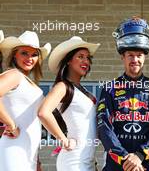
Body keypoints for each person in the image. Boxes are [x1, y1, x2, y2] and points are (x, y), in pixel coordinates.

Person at [97, 17, 149, 171]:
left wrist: (140, 156)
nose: (135, 60)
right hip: (115, 165)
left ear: (145, 57)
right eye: (130, 55)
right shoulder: (109, 88)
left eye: (139, 55)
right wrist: (124, 158)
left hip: (145, 164)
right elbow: (104, 126)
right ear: (122, 57)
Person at [38, 36, 100, 171]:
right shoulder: (63, 86)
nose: (86, 61)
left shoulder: (83, 91)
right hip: (73, 160)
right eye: (80, 56)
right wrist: (63, 140)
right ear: (68, 61)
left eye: (88, 58)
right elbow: (43, 112)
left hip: (88, 160)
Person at [0, 30, 51, 171]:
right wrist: (10, 124)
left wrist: (38, 159)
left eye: (34, 54)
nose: (29, 58)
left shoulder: (29, 82)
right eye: (24, 53)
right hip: (14, 147)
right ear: (14, 54)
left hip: (30, 151)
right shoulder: (14, 75)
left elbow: (33, 122)